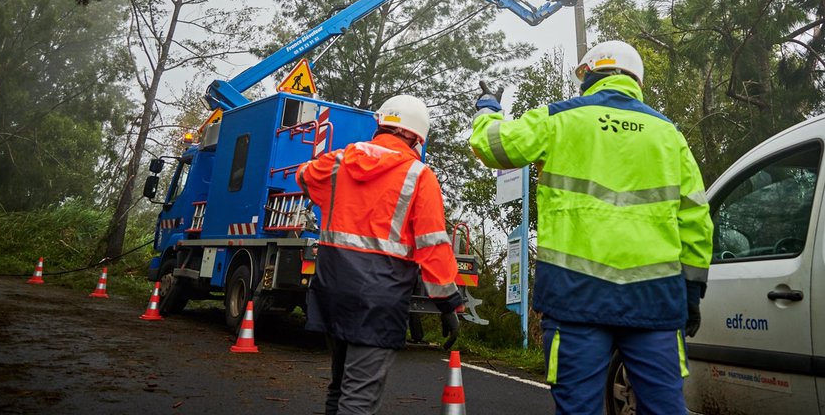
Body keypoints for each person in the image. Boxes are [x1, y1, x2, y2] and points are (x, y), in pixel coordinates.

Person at [469, 40, 712, 415]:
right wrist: (692, 290)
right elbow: (696, 217)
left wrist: (488, 109)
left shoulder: (559, 119)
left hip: (574, 297)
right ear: (637, 79)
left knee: (579, 409)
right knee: (665, 409)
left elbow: (492, 146)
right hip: (655, 301)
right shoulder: (669, 135)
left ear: (590, 74)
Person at [297, 94, 463, 415]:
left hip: (332, 288)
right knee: (358, 397)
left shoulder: (341, 161)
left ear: (382, 125)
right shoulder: (419, 176)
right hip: (378, 298)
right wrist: (446, 303)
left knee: (340, 386)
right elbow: (432, 246)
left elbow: (304, 175)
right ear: (416, 136)